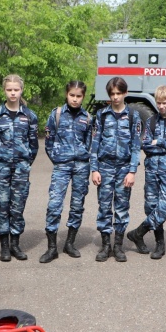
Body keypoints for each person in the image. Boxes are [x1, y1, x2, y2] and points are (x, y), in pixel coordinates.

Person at [126, 85, 166, 259]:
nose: (161, 106)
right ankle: (159, 244)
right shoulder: (151, 121)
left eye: (164, 103)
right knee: (151, 207)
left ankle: (138, 232)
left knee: (165, 207)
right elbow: (145, 144)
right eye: (159, 103)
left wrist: (158, 142)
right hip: (152, 170)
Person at [0, 74, 39, 262]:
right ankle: (4, 246)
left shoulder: (29, 116)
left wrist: (24, 162)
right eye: (9, 90)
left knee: (17, 206)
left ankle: (15, 244)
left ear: (21, 90)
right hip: (1, 167)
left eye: (16, 90)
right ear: (4, 90)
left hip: (21, 168)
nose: (12, 93)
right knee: (2, 205)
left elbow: (33, 145)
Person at [40, 80, 92, 263]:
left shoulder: (88, 117)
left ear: (83, 97)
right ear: (66, 94)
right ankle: (52, 248)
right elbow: (49, 139)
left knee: (77, 206)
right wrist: (57, 157)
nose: (75, 99)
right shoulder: (57, 114)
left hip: (81, 167)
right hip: (61, 166)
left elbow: (90, 142)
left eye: (78, 96)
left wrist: (84, 156)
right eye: (72, 95)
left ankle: (70, 243)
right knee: (54, 204)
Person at [90, 77, 141, 262]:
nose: (116, 97)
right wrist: (94, 169)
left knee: (121, 208)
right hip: (104, 167)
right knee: (104, 207)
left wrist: (132, 171)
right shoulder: (102, 115)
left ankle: (118, 246)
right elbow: (95, 143)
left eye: (119, 93)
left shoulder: (133, 116)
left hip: (123, 169)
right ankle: (105, 246)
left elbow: (136, 146)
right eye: (112, 94)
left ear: (125, 93)